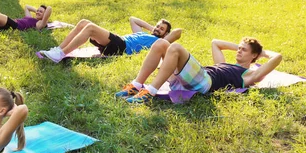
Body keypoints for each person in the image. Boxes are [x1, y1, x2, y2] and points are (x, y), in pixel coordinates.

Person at [116, 37, 283, 104]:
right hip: (196, 77)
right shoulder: (223, 64)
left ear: (254, 55)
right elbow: (215, 42)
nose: (239, 51)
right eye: (239, 48)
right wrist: (242, 46)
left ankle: (149, 92)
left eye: (243, 50)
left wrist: (261, 53)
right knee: (161, 43)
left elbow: (278, 57)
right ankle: (136, 85)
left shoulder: (250, 75)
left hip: (205, 82)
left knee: (175, 47)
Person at [37, 16, 182, 63]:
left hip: (121, 46)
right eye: (158, 26)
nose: (157, 29)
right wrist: (153, 28)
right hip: (117, 41)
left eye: (161, 29)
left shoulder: (160, 42)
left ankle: (60, 54)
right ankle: (58, 49)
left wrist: (163, 36)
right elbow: (133, 19)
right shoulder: (146, 35)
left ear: (165, 34)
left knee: (90, 27)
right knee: (83, 22)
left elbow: (177, 32)